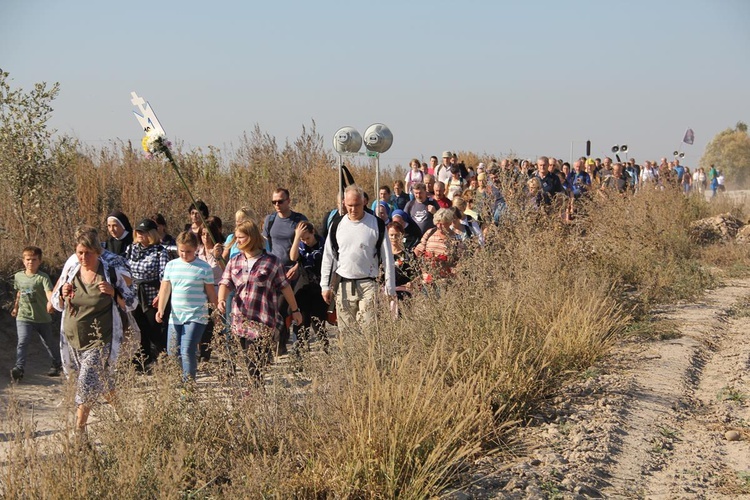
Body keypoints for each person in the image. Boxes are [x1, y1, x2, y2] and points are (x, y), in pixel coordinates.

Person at [52, 229, 137, 431]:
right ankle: (123, 414)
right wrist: (62, 295)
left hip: (100, 339)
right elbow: (57, 303)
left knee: (86, 383)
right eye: (80, 252)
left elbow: (132, 302)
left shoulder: (110, 271)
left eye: (88, 253)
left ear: (98, 252)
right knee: (103, 380)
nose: (83, 257)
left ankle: (79, 432)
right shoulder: (72, 269)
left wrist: (114, 292)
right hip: (73, 338)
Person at [218, 220, 303, 380]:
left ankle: (254, 395)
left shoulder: (272, 261)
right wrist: (221, 299)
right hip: (239, 321)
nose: (238, 241)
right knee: (249, 363)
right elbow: (225, 282)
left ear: (251, 237)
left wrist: (295, 310)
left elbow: (285, 287)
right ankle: (256, 395)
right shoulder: (234, 261)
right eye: (236, 238)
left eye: (241, 237)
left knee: (254, 366)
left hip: (262, 322)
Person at [320, 184, 396, 335]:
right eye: (349, 206)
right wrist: (325, 286)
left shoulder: (376, 225)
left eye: (357, 205)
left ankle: (368, 359)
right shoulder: (336, 225)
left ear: (364, 203)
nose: (353, 209)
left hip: (369, 283)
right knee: (347, 332)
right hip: (343, 284)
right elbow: (328, 256)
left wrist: (390, 288)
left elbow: (387, 258)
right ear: (344, 204)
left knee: (369, 330)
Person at [156, 231, 217, 381]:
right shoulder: (171, 266)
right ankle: (178, 383)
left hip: (196, 315)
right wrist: (161, 309)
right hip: (176, 315)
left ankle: (188, 386)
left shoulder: (204, 267)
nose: (184, 254)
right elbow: (165, 288)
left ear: (196, 248)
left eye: (188, 251)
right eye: (181, 251)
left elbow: (210, 292)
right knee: (172, 351)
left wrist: (216, 312)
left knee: (187, 350)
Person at [262, 188, 308, 356]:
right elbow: (266, 247)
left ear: (288, 201)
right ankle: (280, 344)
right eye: (274, 202)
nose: (277, 205)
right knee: (278, 309)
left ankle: (299, 346)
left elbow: (307, 246)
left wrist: (298, 266)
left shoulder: (299, 220)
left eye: (280, 201)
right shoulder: (270, 220)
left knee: (297, 309)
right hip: (276, 273)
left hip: (294, 272)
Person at [10, 246, 63, 381]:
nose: (30, 262)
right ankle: (19, 368)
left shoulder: (42, 278)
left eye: (34, 260)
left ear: (39, 261)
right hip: (24, 316)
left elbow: (49, 292)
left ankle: (57, 364)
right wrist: (15, 308)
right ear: (23, 261)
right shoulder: (18, 276)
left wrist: (51, 302)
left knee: (49, 342)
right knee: (23, 341)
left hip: (42, 317)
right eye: (28, 259)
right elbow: (19, 292)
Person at [125, 218, 170, 368]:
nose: (139, 234)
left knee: (154, 330)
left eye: (143, 232)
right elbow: (125, 269)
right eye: (138, 231)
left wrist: (161, 296)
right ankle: (142, 360)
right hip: (134, 295)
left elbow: (164, 276)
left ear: (151, 234)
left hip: (152, 296)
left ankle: (164, 359)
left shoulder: (160, 251)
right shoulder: (131, 249)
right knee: (139, 329)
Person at [290, 221, 328, 343]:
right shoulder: (300, 246)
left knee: (318, 322)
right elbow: (293, 257)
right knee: (302, 322)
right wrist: (297, 237)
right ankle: (301, 352)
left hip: (319, 286)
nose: (305, 241)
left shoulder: (323, 244)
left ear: (313, 232)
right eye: (302, 238)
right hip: (304, 285)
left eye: (308, 238)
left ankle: (325, 349)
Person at [413, 208, 466, 285]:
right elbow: (418, 251)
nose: (439, 226)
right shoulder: (430, 232)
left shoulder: (456, 239)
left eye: (442, 223)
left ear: (449, 222)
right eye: (437, 223)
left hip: (445, 280)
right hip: (427, 278)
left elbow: (461, 260)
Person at [197, 216, 224, 361]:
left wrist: (218, 257)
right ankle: (204, 354)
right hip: (201, 292)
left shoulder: (221, 249)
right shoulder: (197, 252)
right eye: (202, 234)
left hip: (218, 290)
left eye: (208, 234)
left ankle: (224, 353)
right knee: (205, 323)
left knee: (219, 322)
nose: (205, 237)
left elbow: (226, 270)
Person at [386, 222, 416, 300]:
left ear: (402, 236)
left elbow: (417, 273)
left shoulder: (408, 254)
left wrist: (412, 283)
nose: (394, 238)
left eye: (397, 235)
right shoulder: (383, 254)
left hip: (404, 294)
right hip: (386, 294)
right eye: (391, 235)